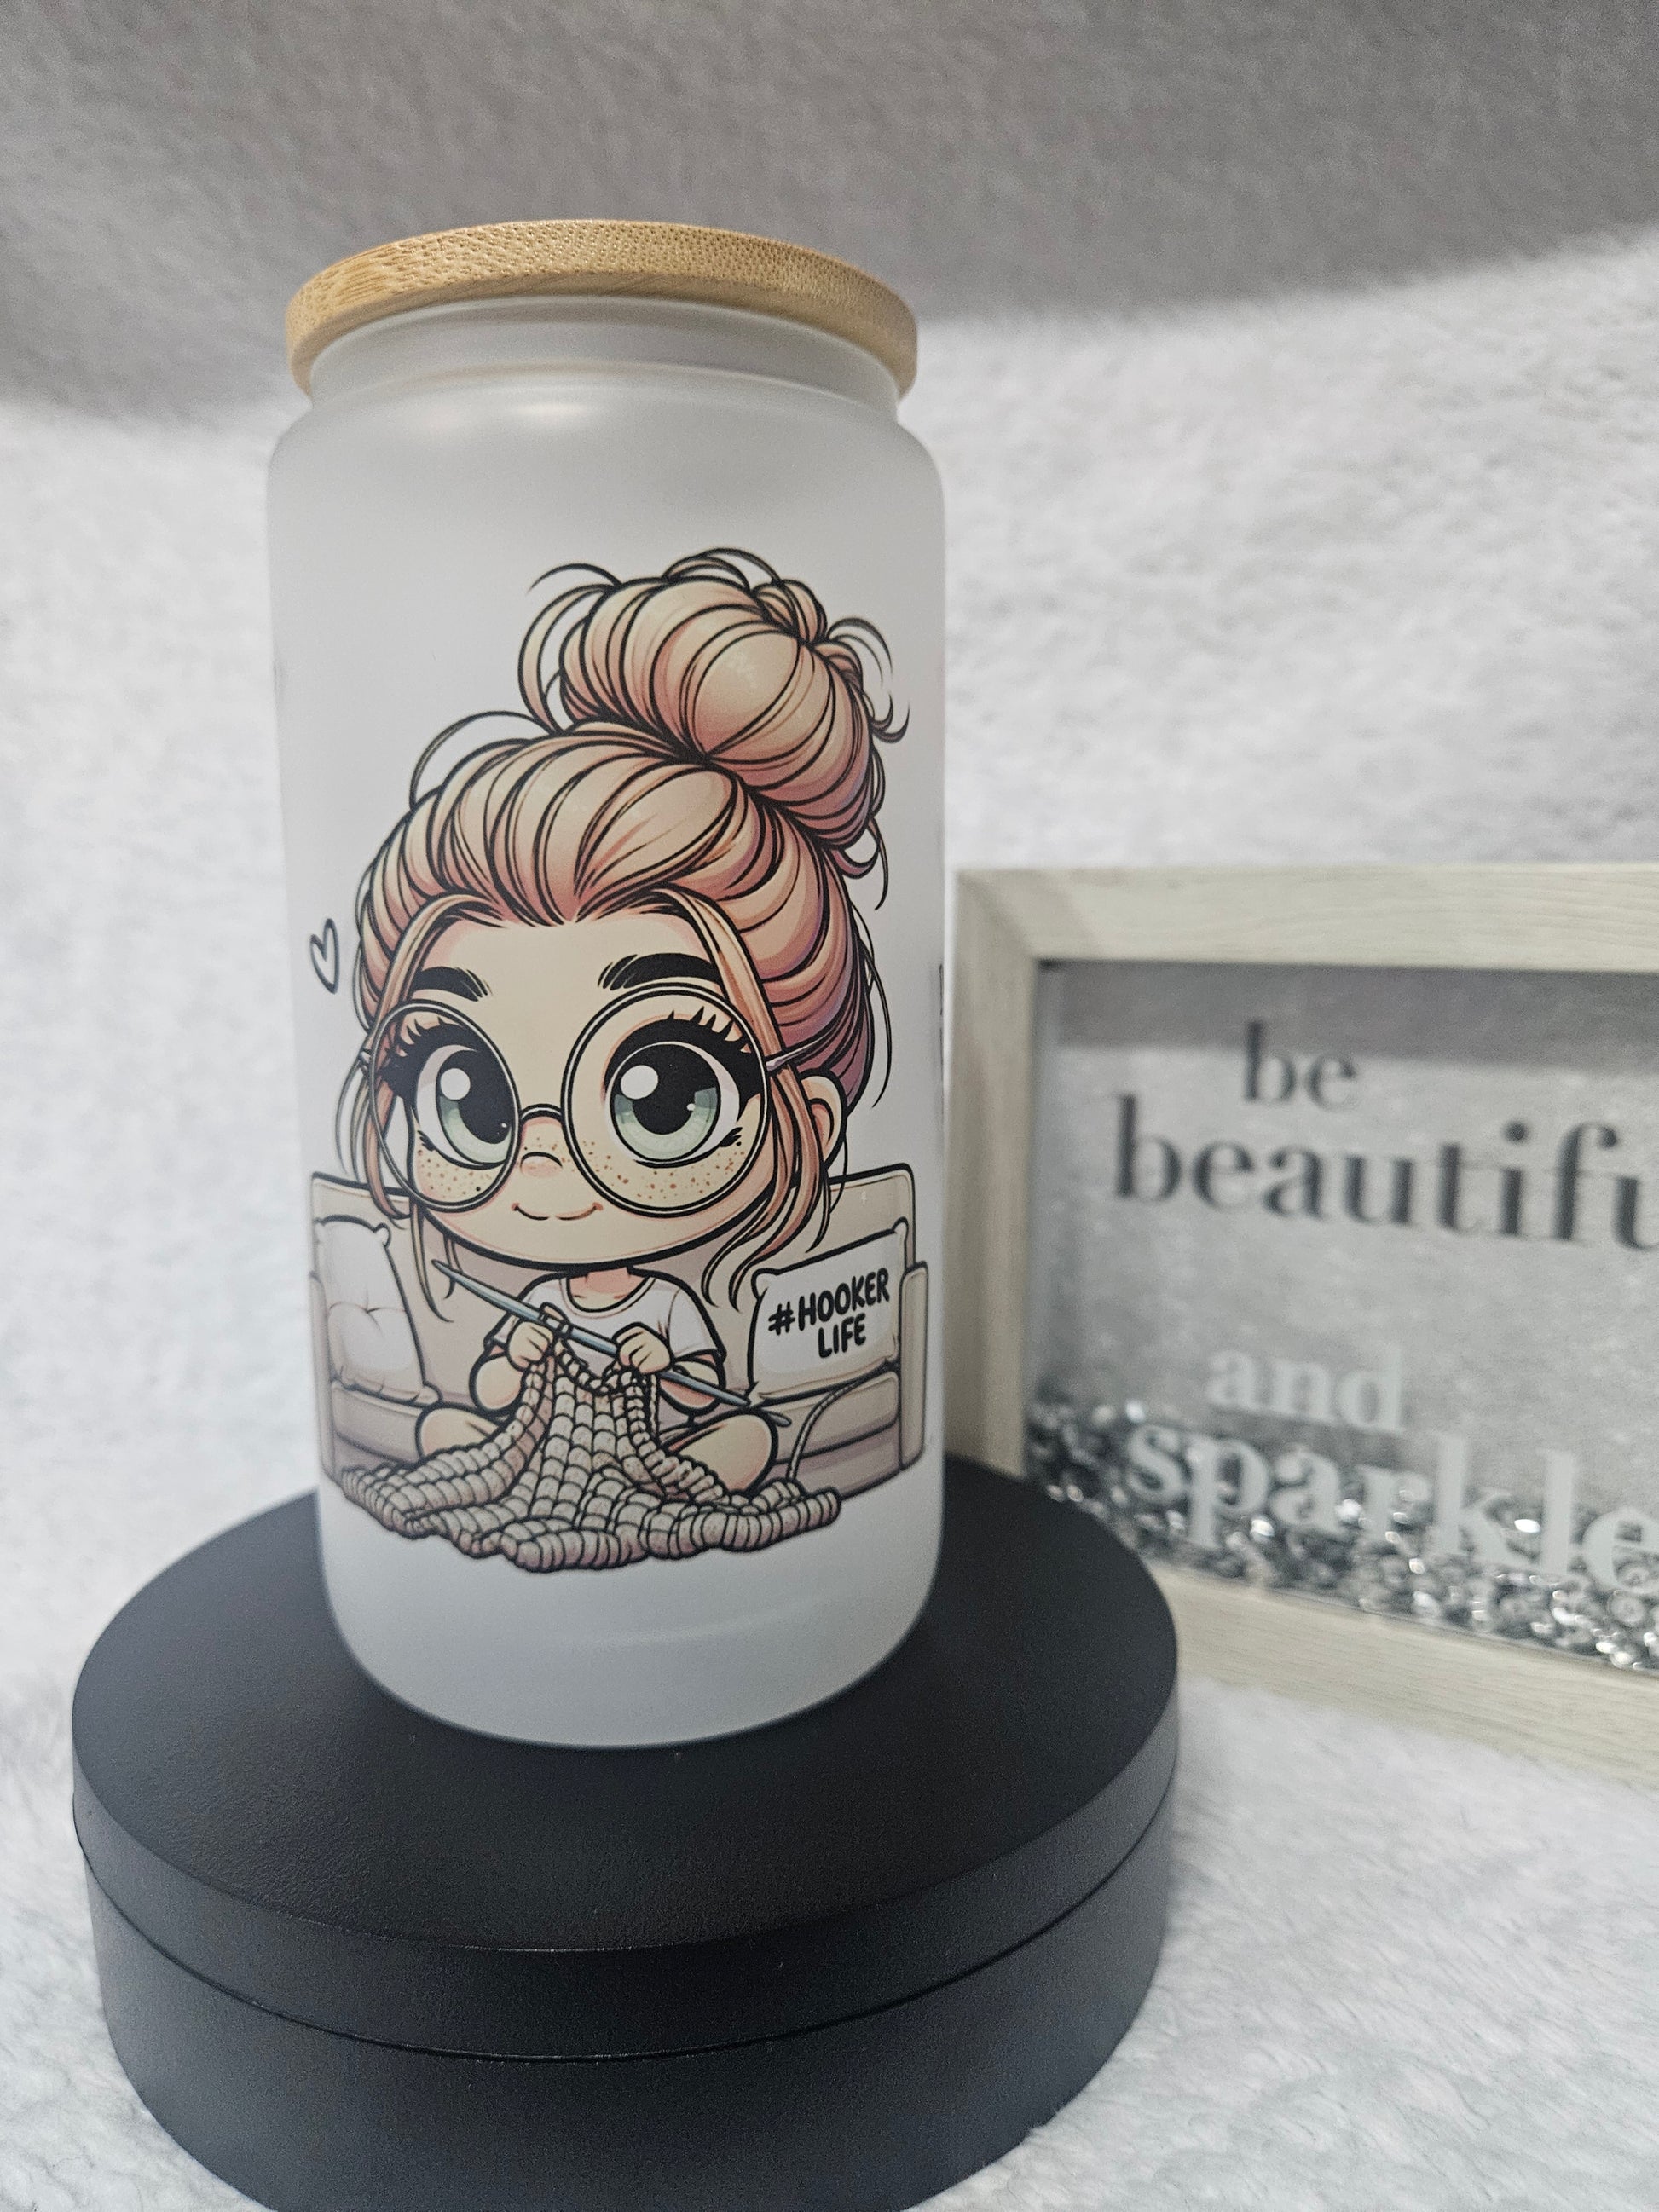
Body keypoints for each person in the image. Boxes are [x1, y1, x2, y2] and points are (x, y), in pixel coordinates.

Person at [343, 547, 901, 1500]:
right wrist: (514, 1359)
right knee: (449, 1433)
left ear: (806, 1117)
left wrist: (660, 1363)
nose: (545, 1167)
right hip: (537, 1452)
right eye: (466, 1097)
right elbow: (494, 1393)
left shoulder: (668, 1303)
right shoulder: (540, 1299)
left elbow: (697, 1397)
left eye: (669, 1096)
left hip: (646, 1458)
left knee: (744, 1442)